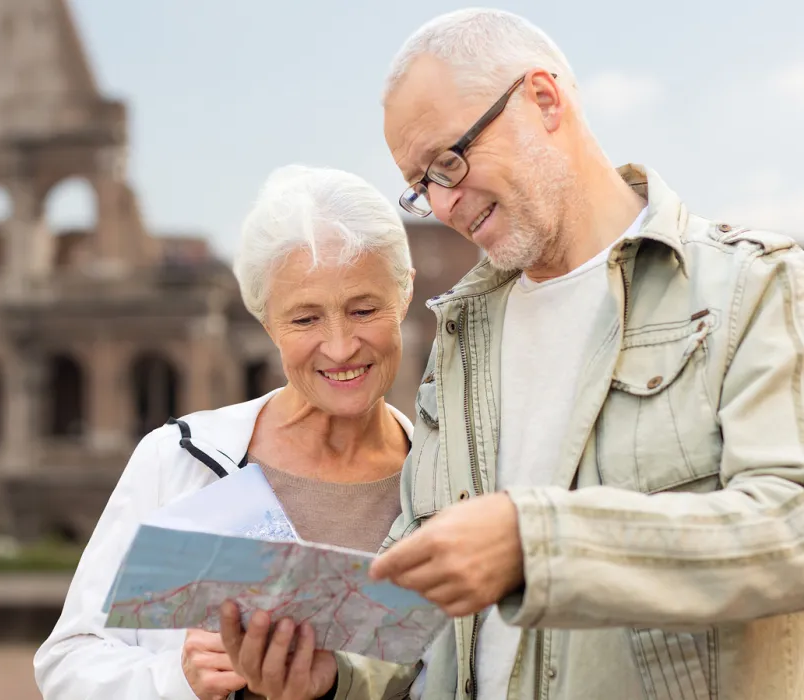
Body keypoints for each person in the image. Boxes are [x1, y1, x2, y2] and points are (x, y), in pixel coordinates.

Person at [220, 8, 804, 700]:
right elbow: (420, 576)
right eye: (420, 184)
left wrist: (538, 543)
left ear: (544, 99)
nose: (441, 205)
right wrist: (337, 675)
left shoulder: (757, 287)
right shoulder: (462, 334)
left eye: (448, 161)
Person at [33, 164, 421, 700]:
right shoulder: (178, 459)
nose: (339, 346)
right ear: (267, 323)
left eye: (363, 309)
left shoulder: (446, 479)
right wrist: (179, 680)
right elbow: (67, 662)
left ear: (405, 294)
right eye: (305, 319)